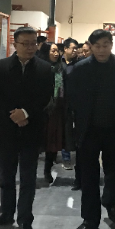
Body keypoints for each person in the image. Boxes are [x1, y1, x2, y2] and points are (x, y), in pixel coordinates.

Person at [0, 26, 54, 229]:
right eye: (25, 43)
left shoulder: (45, 68)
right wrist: (14, 113)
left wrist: (25, 113)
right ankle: (6, 212)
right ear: (15, 44)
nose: (30, 47)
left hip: (31, 128)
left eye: (33, 43)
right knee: (6, 175)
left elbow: (45, 97)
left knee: (28, 177)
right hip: (6, 128)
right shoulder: (1, 66)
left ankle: (25, 218)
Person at [66, 29, 115, 229]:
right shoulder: (80, 69)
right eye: (97, 46)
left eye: (105, 45)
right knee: (88, 176)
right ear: (91, 47)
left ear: (111, 45)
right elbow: (71, 98)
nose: (101, 50)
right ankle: (90, 219)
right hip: (89, 130)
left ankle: (109, 200)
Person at [37, 42, 66, 185]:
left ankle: (47, 170)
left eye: (57, 51)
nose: (56, 53)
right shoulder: (39, 68)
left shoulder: (61, 68)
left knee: (52, 142)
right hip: (40, 110)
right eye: (52, 50)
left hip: (56, 109)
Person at [61, 38, 80, 172]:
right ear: (65, 49)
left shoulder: (79, 64)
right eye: (73, 48)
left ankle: (79, 156)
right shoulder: (58, 63)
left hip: (76, 102)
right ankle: (66, 158)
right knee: (65, 130)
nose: (75, 51)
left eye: (76, 48)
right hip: (62, 103)